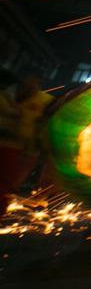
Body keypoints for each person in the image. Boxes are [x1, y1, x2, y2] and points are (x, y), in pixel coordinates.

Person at [0, 72, 54, 218]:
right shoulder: (5, 96)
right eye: (26, 83)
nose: (29, 86)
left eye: (33, 83)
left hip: (27, 150)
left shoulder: (46, 101)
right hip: (8, 146)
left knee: (8, 186)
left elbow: (46, 125)